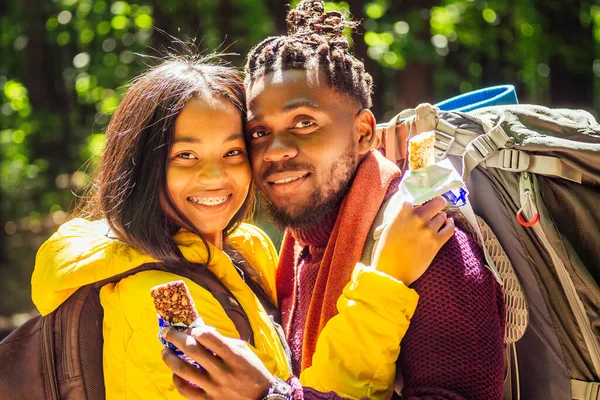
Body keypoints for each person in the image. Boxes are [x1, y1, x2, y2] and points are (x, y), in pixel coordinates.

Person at [31, 53, 454, 399]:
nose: (215, 177)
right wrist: (386, 279)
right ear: (143, 168)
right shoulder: (163, 302)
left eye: (233, 152)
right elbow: (318, 392)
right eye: (186, 156)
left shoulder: (247, 249)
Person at [162, 1, 506, 399]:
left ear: (362, 133)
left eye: (304, 123)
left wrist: (271, 396)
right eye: (258, 132)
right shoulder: (296, 250)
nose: (275, 151)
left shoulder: (429, 241)